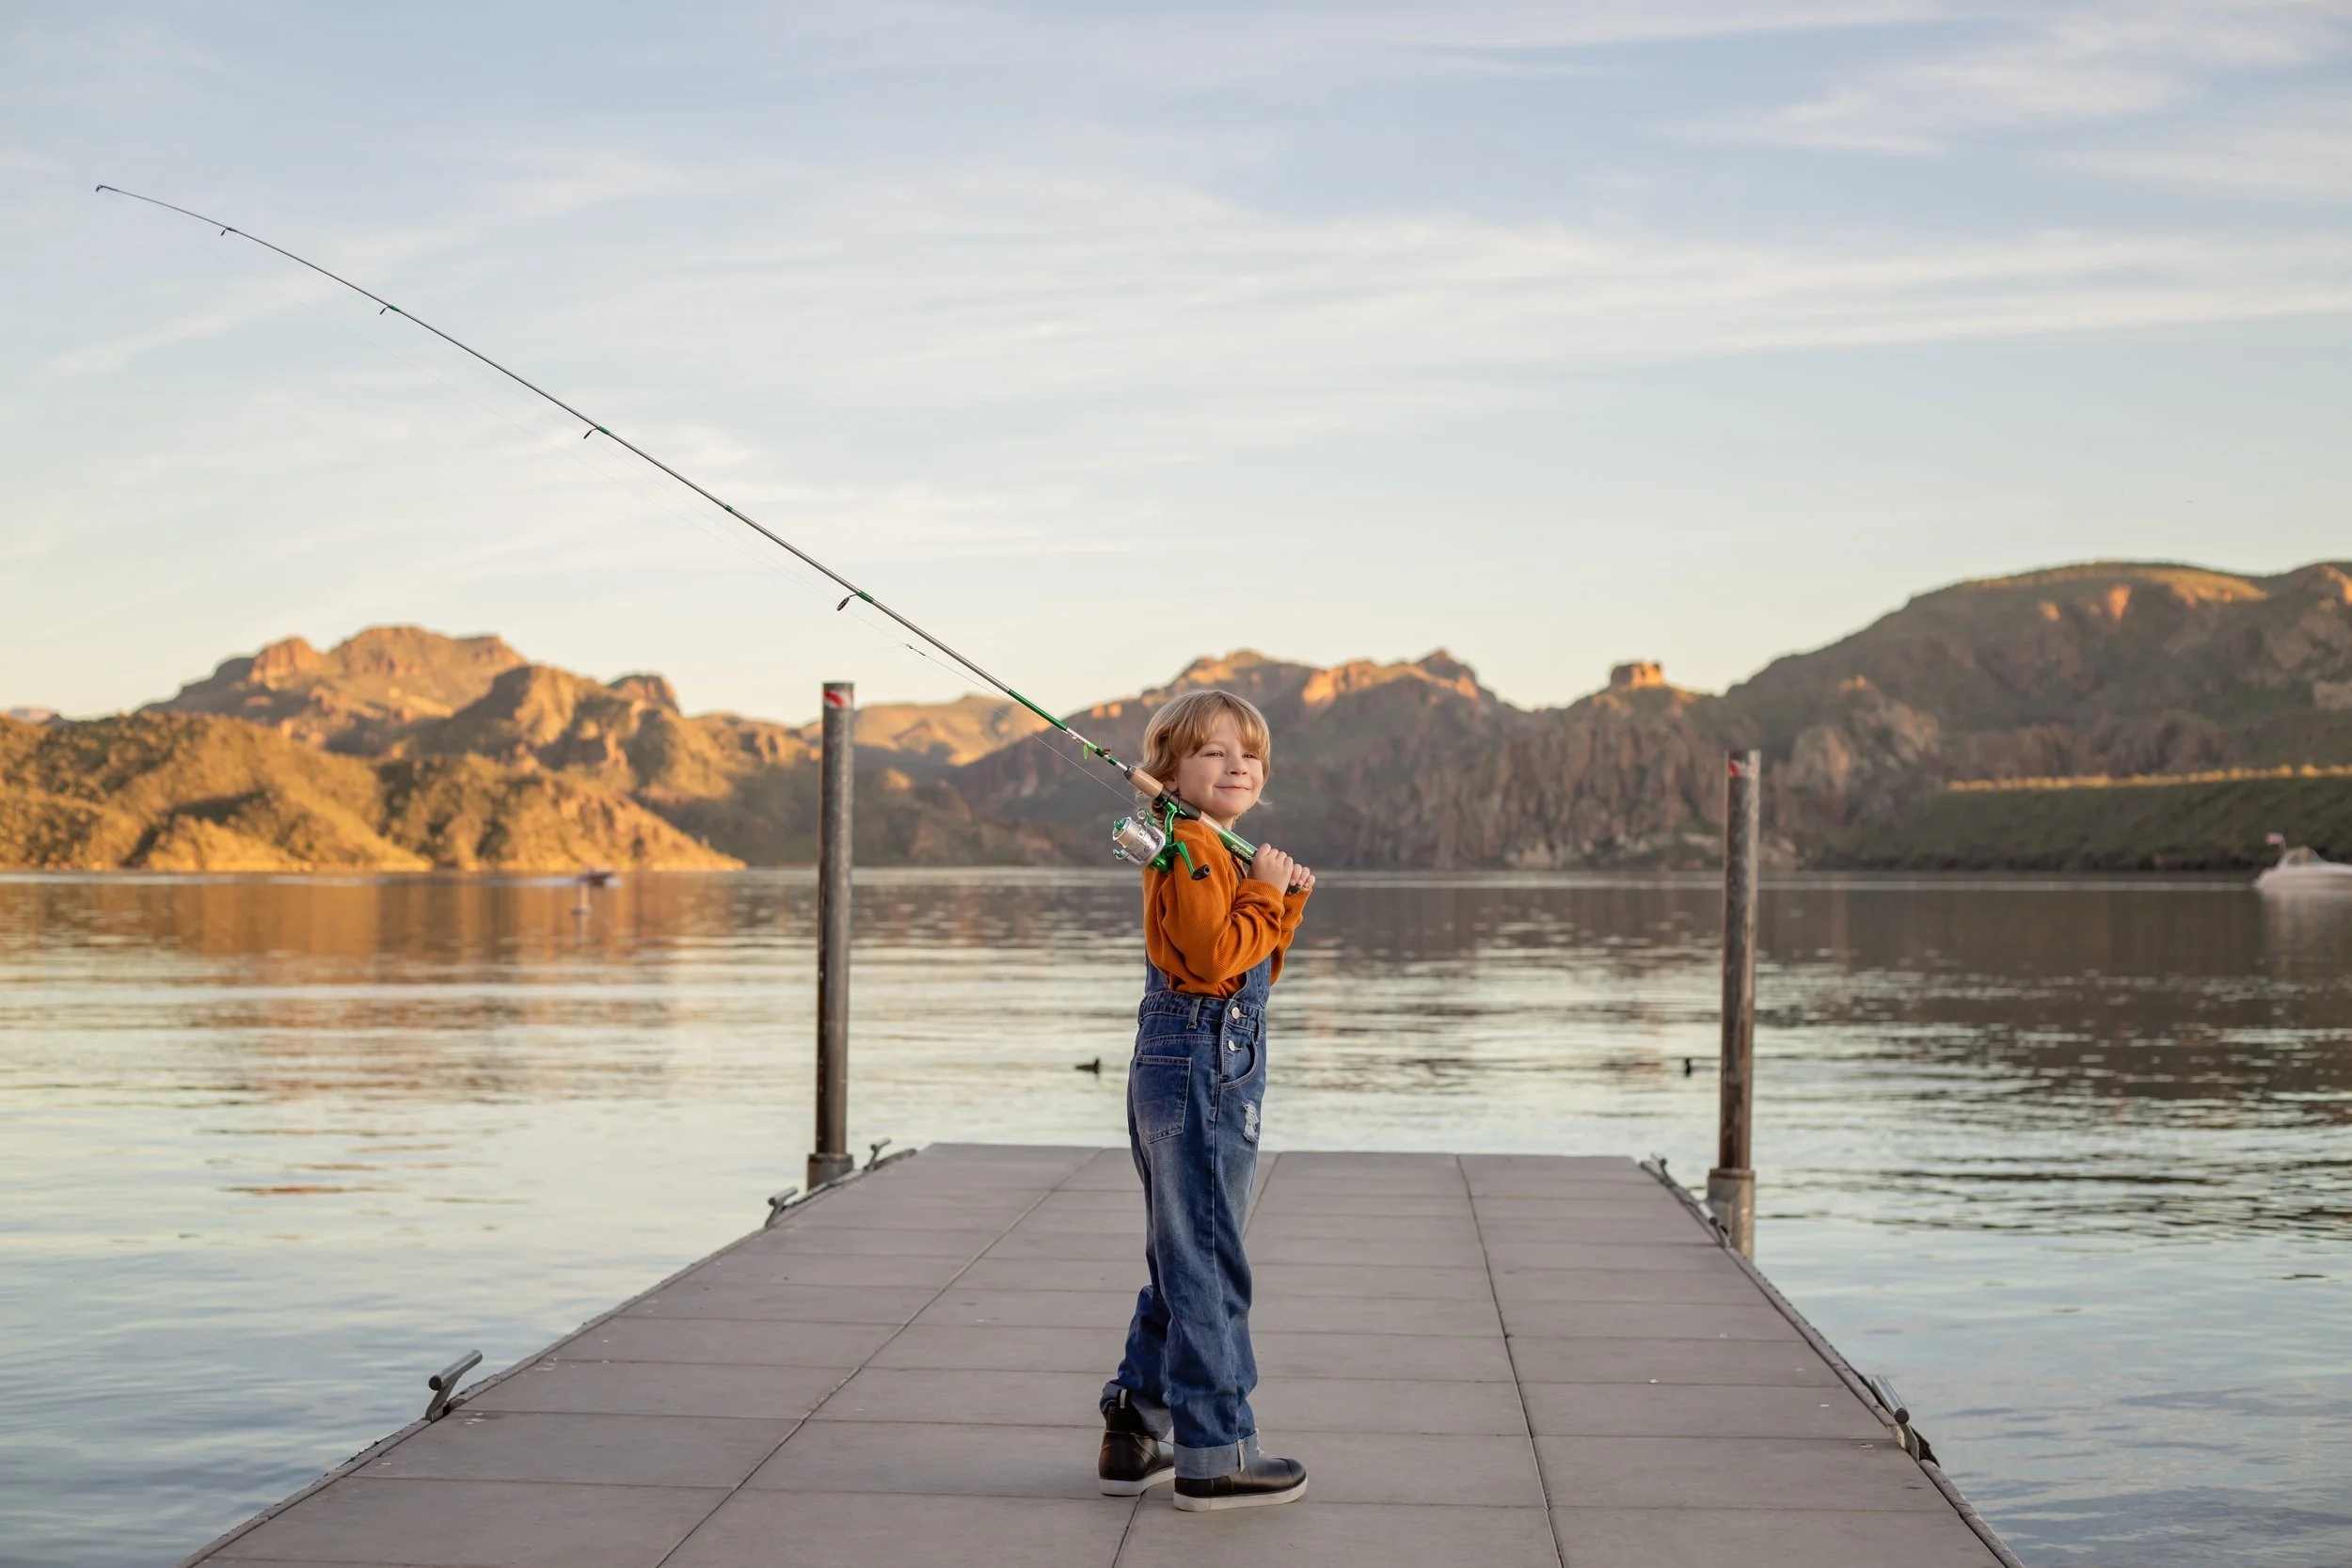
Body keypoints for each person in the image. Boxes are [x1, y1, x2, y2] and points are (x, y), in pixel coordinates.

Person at [1097, 688, 1315, 1512]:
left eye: (1250, 754)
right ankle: (1216, 1450)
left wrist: (1279, 902)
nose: (1239, 765)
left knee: (1181, 1248)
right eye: (1216, 753)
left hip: (1201, 1054)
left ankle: (1139, 1423)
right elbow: (1212, 957)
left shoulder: (1215, 847)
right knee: (1209, 1254)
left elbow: (1252, 969)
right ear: (1171, 774)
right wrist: (1261, 893)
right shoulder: (1188, 847)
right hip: (1200, 1062)